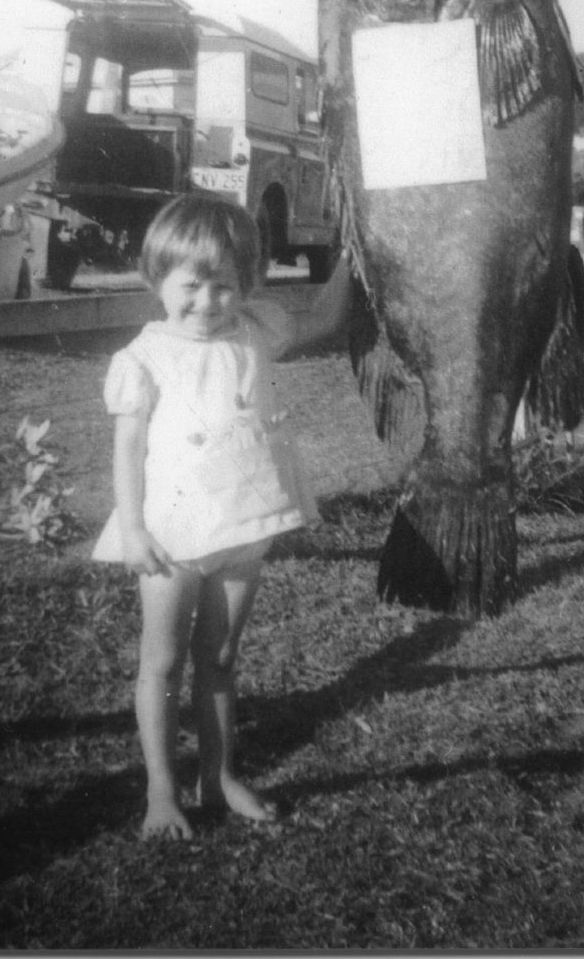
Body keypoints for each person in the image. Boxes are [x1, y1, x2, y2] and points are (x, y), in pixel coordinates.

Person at [92, 193, 350, 839]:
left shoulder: (255, 330)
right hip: (171, 536)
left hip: (244, 521)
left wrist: (357, 256)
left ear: (247, 285)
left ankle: (221, 773)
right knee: (163, 661)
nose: (208, 303)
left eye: (225, 287)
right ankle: (161, 789)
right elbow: (127, 450)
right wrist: (132, 527)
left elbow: (322, 317)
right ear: (158, 279)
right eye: (192, 286)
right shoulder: (142, 358)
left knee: (223, 655)